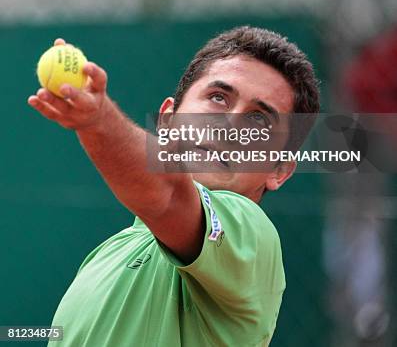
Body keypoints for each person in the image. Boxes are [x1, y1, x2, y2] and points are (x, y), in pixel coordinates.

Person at [28, 26, 320, 347]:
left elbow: (169, 197)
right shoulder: (108, 254)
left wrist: (97, 119)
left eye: (258, 119)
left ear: (279, 170)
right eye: (218, 97)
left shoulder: (253, 240)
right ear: (167, 120)